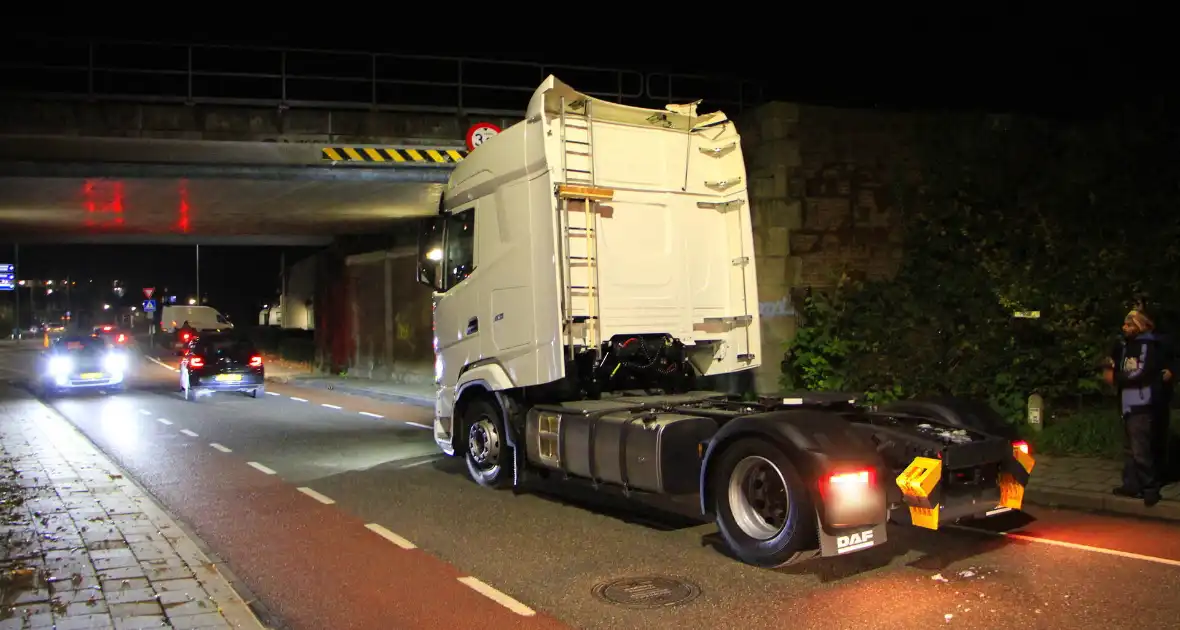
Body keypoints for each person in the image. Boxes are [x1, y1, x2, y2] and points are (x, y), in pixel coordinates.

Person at [1104, 308, 1172, 506]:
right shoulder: (1126, 346)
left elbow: (1142, 372)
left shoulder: (1147, 345)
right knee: (1130, 448)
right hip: (1127, 402)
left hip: (1141, 403)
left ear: (1139, 326)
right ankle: (1132, 484)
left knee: (1141, 448)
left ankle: (1150, 488)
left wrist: (1116, 378)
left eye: (1129, 324)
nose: (1125, 328)